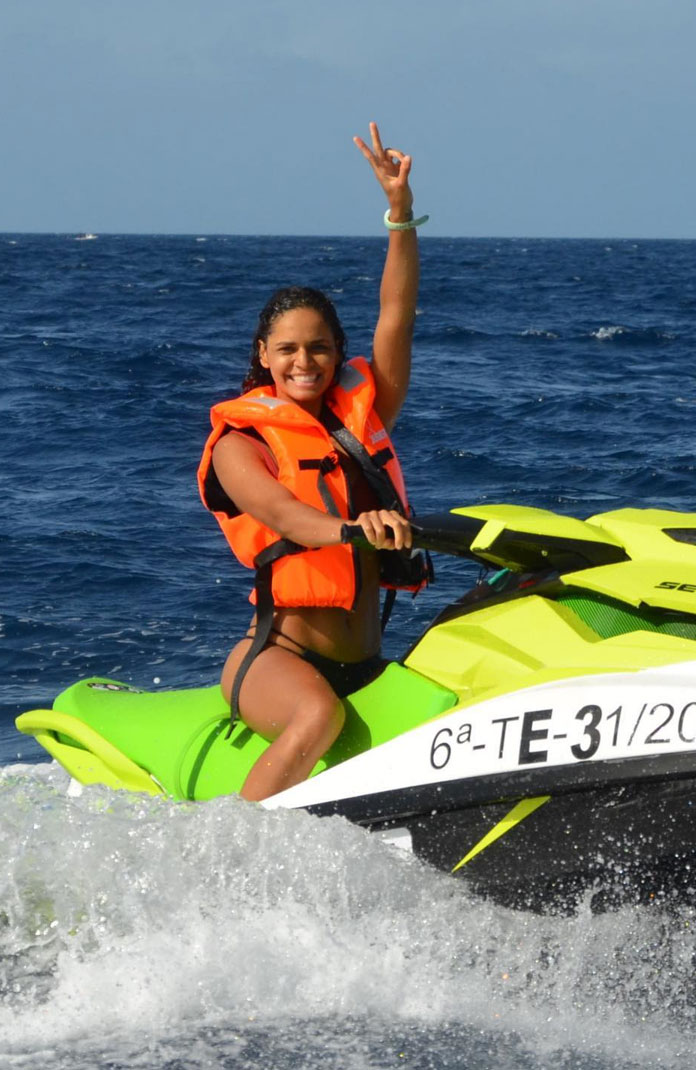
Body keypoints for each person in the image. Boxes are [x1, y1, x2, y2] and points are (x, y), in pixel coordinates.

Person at [197, 122, 429, 802]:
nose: (306, 362)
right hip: (279, 658)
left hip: (368, 661)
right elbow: (285, 515)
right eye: (289, 349)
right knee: (317, 717)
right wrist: (357, 529)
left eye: (320, 347)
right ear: (264, 355)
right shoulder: (239, 444)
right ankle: (233, 851)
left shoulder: (366, 415)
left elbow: (398, 313)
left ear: (337, 352)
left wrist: (400, 213)